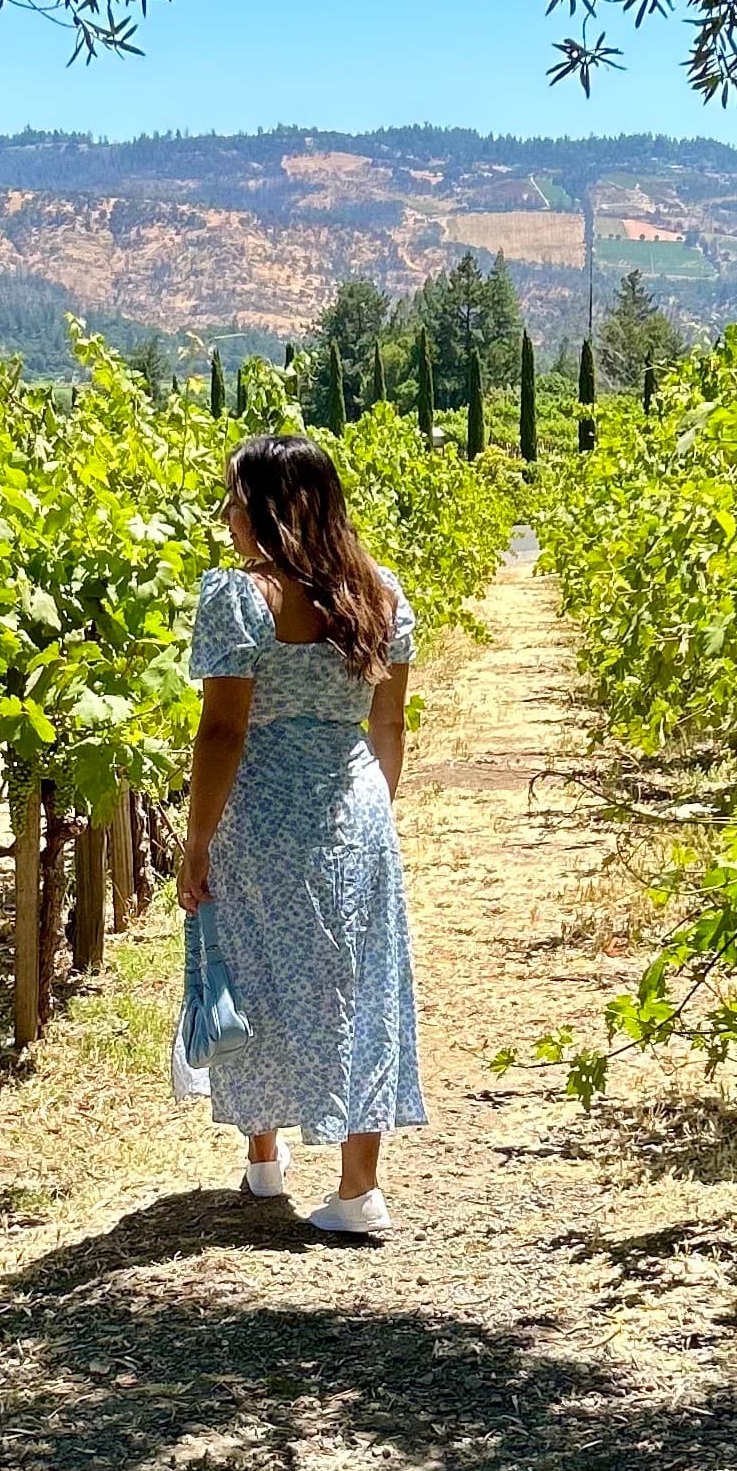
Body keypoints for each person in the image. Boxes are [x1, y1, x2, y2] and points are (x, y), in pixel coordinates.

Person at [178, 433, 425, 1236]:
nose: (225, 514)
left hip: (261, 809)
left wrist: (196, 839)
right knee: (359, 981)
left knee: (254, 968)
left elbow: (221, 731)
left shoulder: (239, 596)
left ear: (267, 508)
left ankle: (263, 1155)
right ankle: (359, 1188)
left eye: (234, 498)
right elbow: (388, 724)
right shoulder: (380, 594)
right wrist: (371, 818)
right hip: (352, 802)